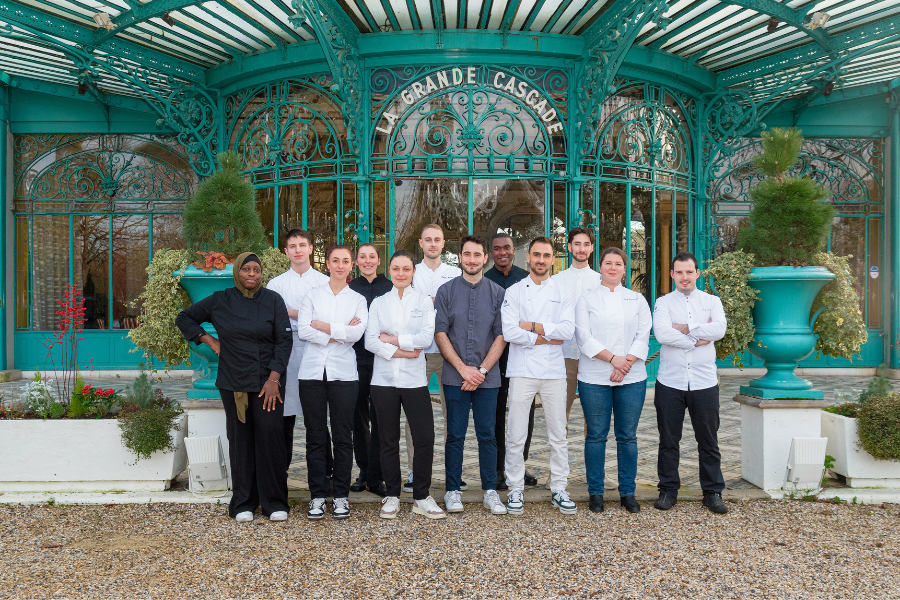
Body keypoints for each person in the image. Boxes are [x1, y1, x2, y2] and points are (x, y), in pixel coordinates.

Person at [176, 253, 292, 523]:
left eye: (256, 270)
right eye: (246, 269)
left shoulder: (273, 300)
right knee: (241, 441)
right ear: (237, 272)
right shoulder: (221, 299)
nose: (251, 274)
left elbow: (284, 342)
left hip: (268, 385)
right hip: (234, 383)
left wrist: (274, 379)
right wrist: (209, 340)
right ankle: (243, 503)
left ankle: (274, 502)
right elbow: (185, 318)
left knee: (271, 439)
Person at [365, 250, 445, 519]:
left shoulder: (423, 301)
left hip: (414, 382)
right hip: (383, 381)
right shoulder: (378, 303)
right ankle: (392, 495)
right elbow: (370, 341)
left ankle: (421, 496)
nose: (401, 273)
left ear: (413, 272)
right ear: (389, 271)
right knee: (388, 439)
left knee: (424, 437)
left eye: (406, 269)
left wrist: (391, 339)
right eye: (396, 269)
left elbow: (424, 338)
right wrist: (402, 349)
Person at [501, 236, 576, 515]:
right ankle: (516, 489)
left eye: (546, 255)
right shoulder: (516, 291)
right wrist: (547, 335)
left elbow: (567, 332)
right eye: (536, 255)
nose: (541, 260)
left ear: (553, 258)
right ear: (528, 258)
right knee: (516, 433)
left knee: (558, 434)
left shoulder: (562, 291)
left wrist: (531, 327)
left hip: (554, 372)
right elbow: (510, 332)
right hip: (521, 371)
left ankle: (558, 487)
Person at [435, 235, 508, 515]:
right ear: (460, 257)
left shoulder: (498, 293)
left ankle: (490, 491)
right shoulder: (446, 291)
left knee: (488, 435)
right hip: (455, 377)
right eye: (467, 254)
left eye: (477, 255)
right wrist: (463, 369)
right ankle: (452, 490)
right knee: (454, 435)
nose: (472, 260)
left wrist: (481, 371)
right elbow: (440, 333)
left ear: (485, 258)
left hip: (488, 379)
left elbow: (502, 336)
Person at [574, 247, 651, 514]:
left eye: (618, 263)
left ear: (624, 269)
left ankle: (627, 493)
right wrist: (613, 360)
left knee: (627, 436)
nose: (613, 268)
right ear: (601, 266)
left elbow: (643, 335)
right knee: (596, 436)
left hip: (631, 378)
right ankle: (595, 492)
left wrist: (624, 362)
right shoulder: (586, 300)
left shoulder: (637, 299)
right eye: (608, 263)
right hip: (595, 377)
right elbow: (584, 337)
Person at [652, 251, 729, 515]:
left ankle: (712, 492)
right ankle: (668, 489)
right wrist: (697, 337)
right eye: (679, 272)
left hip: (704, 382)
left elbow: (719, 329)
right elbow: (662, 333)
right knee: (668, 439)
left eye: (689, 272)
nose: (684, 277)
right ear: (672, 274)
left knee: (708, 439)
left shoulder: (712, 301)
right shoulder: (663, 303)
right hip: (670, 382)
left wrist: (683, 328)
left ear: (697, 273)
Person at [297, 245, 368, 520]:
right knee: (315, 436)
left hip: (344, 376)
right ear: (326, 263)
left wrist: (323, 326)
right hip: (312, 374)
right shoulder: (312, 295)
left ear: (352, 266)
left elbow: (358, 333)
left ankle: (340, 496)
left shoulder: (358, 300)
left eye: (345, 261)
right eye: (335, 260)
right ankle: (317, 496)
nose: (340, 265)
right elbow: (303, 329)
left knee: (342, 436)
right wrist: (340, 332)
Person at [404, 224, 462, 493]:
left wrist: (429, 301)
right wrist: (436, 300)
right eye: (428, 239)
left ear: (443, 243)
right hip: (419, 353)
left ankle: (454, 472)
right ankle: (414, 471)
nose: (432, 244)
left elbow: (456, 307)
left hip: (450, 351)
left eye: (437, 239)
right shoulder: (411, 271)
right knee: (414, 416)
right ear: (421, 242)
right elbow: (410, 305)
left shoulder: (455, 272)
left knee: (454, 415)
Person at [265, 229, 328, 472]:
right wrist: (309, 317)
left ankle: (325, 475)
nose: (298, 250)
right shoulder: (276, 284)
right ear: (286, 251)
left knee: (318, 418)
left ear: (311, 249)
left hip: (317, 351)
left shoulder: (324, 282)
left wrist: (289, 312)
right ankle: (280, 474)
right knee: (284, 417)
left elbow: (329, 320)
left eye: (303, 244)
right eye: (293, 246)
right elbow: (272, 321)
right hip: (286, 351)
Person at [484, 233, 537, 490]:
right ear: (490, 254)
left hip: (522, 354)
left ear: (513, 250)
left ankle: (519, 465)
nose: (502, 252)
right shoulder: (484, 280)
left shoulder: (525, 280)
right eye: (497, 249)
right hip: (495, 357)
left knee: (524, 412)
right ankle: (496, 468)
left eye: (506, 248)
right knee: (495, 413)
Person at [348, 243, 392, 497]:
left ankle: (378, 476)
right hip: (355, 360)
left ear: (378, 260)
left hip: (383, 360)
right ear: (357, 262)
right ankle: (364, 471)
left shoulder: (389, 287)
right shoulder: (350, 288)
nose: (367, 261)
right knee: (358, 419)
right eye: (362, 257)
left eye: (371, 257)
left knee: (382, 419)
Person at [551, 227, 601, 424]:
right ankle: (558, 454)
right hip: (564, 355)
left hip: (595, 356)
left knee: (595, 417)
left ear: (591, 248)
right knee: (560, 413)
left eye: (586, 245)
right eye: (577, 244)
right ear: (569, 247)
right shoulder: (556, 281)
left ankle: (593, 455)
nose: (582, 249)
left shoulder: (601, 280)